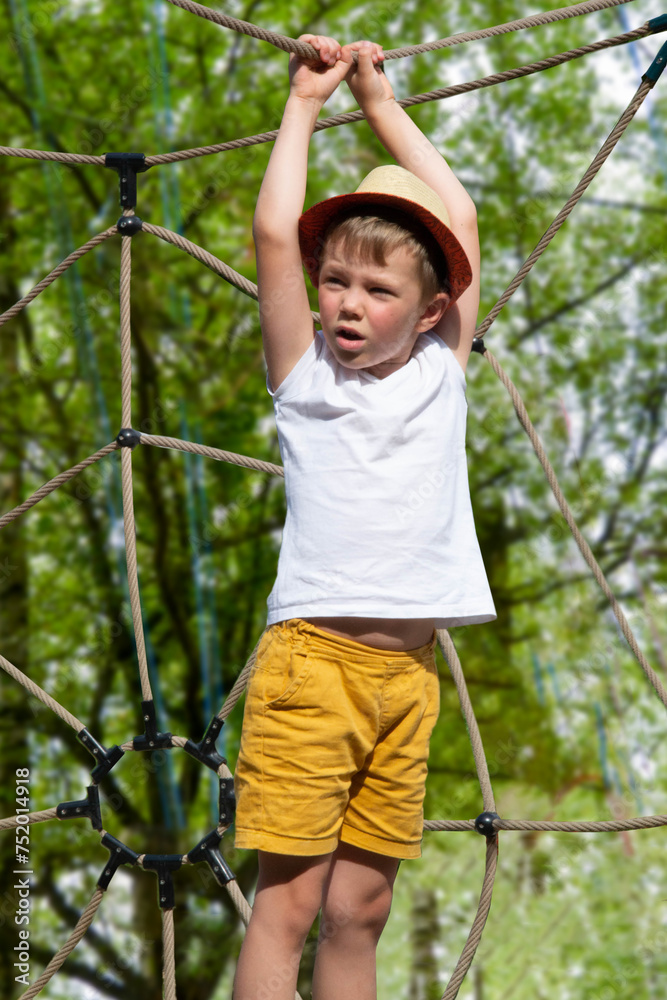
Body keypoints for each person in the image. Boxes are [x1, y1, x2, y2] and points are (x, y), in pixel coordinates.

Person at [232, 34, 496, 1000]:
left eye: (378, 290)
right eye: (336, 280)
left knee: (361, 911)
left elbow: (457, 214)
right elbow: (272, 235)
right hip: (314, 668)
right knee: (290, 904)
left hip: (407, 679)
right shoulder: (305, 380)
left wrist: (381, 101)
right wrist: (306, 105)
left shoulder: (440, 375)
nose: (346, 303)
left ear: (430, 313)